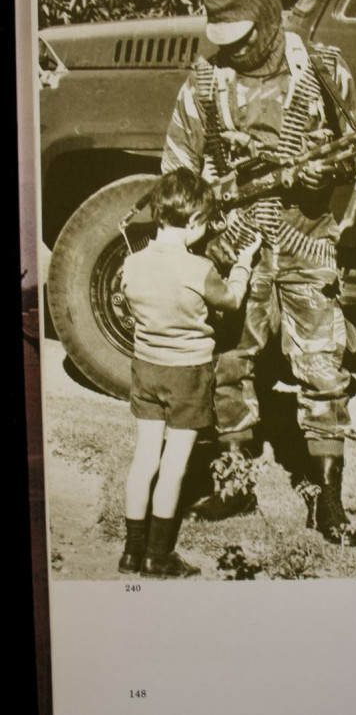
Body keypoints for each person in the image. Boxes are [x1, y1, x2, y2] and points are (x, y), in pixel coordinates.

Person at [162, 0, 356, 547]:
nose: (235, 51)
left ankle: (328, 499)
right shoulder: (205, 82)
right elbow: (177, 171)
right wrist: (204, 226)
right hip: (236, 246)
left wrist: (328, 168)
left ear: (269, 18)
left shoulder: (323, 70)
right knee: (228, 364)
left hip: (306, 240)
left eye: (244, 37)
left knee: (323, 370)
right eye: (223, 39)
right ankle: (232, 483)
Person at [118, 168, 261, 577]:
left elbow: (130, 303)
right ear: (196, 220)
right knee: (174, 464)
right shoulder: (199, 268)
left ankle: (131, 553)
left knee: (145, 457)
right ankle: (158, 557)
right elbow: (231, 300)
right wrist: (244, 264)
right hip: (187, 375)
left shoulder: (132, 263)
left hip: (146, 369)